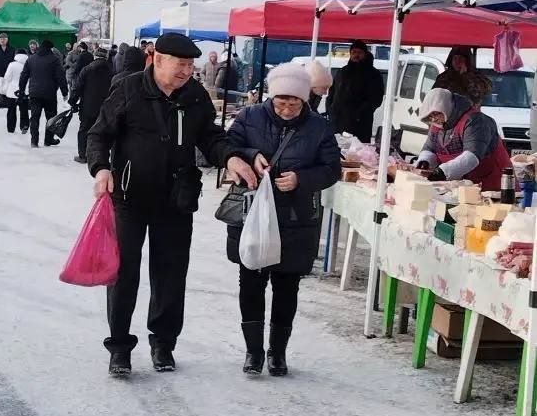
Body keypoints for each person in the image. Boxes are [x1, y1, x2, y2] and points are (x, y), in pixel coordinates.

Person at [86, 32, 258, 377]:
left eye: (191, 65)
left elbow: (210, 136)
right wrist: (101, 167)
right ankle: (119, 347)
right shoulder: (129, 89)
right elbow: (99, 134)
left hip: (176, 200)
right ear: (158, 60)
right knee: (124, 275)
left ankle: (163, 343)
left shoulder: (194, 95)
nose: (186, 71)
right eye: (180, 64)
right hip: (129, 199)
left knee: (170, 275)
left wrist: (232, 159)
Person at [226, 64, 341, 376]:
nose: (287, 108)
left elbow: (332, 169)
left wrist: (301, 178)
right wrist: (250, 155)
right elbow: (228, 146)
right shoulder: (250, 117)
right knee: (250, 281)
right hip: (253, 214)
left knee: (287, 285)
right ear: (271, 97)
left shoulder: (319, 126)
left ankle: (277, 352)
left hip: (296, 216)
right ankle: (253, 352)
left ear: (305, 100)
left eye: (294, 103)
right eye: (280, 102)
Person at [416, 88, 510, 189]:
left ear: (446, 106)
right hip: (464, 187)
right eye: (430, 116)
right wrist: (425, 161)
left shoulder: (476, 121)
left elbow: (471, 157)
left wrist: (442, 172)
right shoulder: (437, 125)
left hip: (495, 185)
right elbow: (430, 148)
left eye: (436, 114)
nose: (434, 119)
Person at [326, 39, 384, 144]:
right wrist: (331, 110)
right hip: (337, 122)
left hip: (360, 124)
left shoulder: (373, 75)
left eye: (359, 52)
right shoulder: (342, 72)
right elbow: (332, 92)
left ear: (365, 54)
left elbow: (375, 99)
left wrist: (359, 114)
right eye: (354, 52)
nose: (356, 55)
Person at [18, 39, 68, 148]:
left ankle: (34, 141)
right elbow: (61, 76)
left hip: (34, 93)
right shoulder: (54, 60)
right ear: (50, 48)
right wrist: (65, 92)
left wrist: (21, 90)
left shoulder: (31, 59)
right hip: (49, 93)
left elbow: (24, 75)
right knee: (50, 117)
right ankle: (48, 140)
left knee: (35, 117)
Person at [69, 47, 112, 163]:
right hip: (105, 107)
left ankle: (83, 155)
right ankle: (102, 157)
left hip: (88, 106)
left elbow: (77, 88)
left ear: (95, 56)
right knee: (103, 132)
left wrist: (72, 101)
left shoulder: (87, 69)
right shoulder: (111, 70)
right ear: (106, 57)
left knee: (84, 130)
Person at [0, 49, 30, 134]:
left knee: (11, 110)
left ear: (16, 55)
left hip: (12, 91)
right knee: (24, 110)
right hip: (24, 90)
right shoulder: (29, 64)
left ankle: (11, 128)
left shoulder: (12, 64)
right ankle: (24, 125)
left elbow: (7, 77)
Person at [0, 33, 15, 108]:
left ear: (7, 40)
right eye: (1, 39)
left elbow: (14, 61)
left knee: (8, 88)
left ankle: (8, 103)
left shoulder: (12, 49)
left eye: (4, 39)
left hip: (8, 72)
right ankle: (1, 103)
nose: (2, 40)